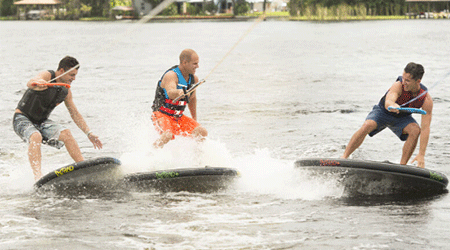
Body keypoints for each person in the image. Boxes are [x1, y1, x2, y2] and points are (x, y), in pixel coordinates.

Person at [13, 56, 103, 180]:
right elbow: (32, 81)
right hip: (22, 118)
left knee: (66, 134)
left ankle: (84, 169)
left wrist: (88, 133)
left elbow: (75, 113)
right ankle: (38, 177)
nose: (74, 78)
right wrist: (38, 83)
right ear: (61, 71)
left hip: (41, 122)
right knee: (36, 136)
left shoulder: (66, 91)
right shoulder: (48, 75)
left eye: (75, 75)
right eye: (71, 75)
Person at [341, 62, 432, 168]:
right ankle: (344, 157)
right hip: (382, 112)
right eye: (403, 78)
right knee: (367, 125)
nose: (404, 82)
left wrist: (421, 154)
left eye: (407, 80)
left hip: (402, 118)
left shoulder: (426, 99)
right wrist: (392, 105)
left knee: (415, 130)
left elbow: (426, 128)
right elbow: (389, 100)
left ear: (418, 81)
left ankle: (402, 166)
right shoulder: (398, 85)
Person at [151, 49, 208, 148]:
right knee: (167, 135)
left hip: (178, 117)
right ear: (185, 63)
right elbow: (170, 92)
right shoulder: (171, 75)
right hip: (161, 114)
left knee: (201, 132)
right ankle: (149, 154)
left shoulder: (194, 79)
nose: (197, 66)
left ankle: (197, 160)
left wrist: (194, 119)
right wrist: (179, 92)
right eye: (195, 64)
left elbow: (192, 99)